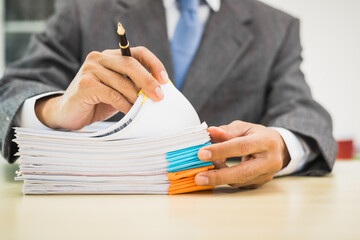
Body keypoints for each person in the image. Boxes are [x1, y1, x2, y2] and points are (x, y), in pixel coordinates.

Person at [0, 0, 337, 188]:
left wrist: (280, 145)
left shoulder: (276, 27)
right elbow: (11, 92)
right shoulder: (84, 10)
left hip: (228, 218)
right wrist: (52, 109)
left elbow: (303, 112)